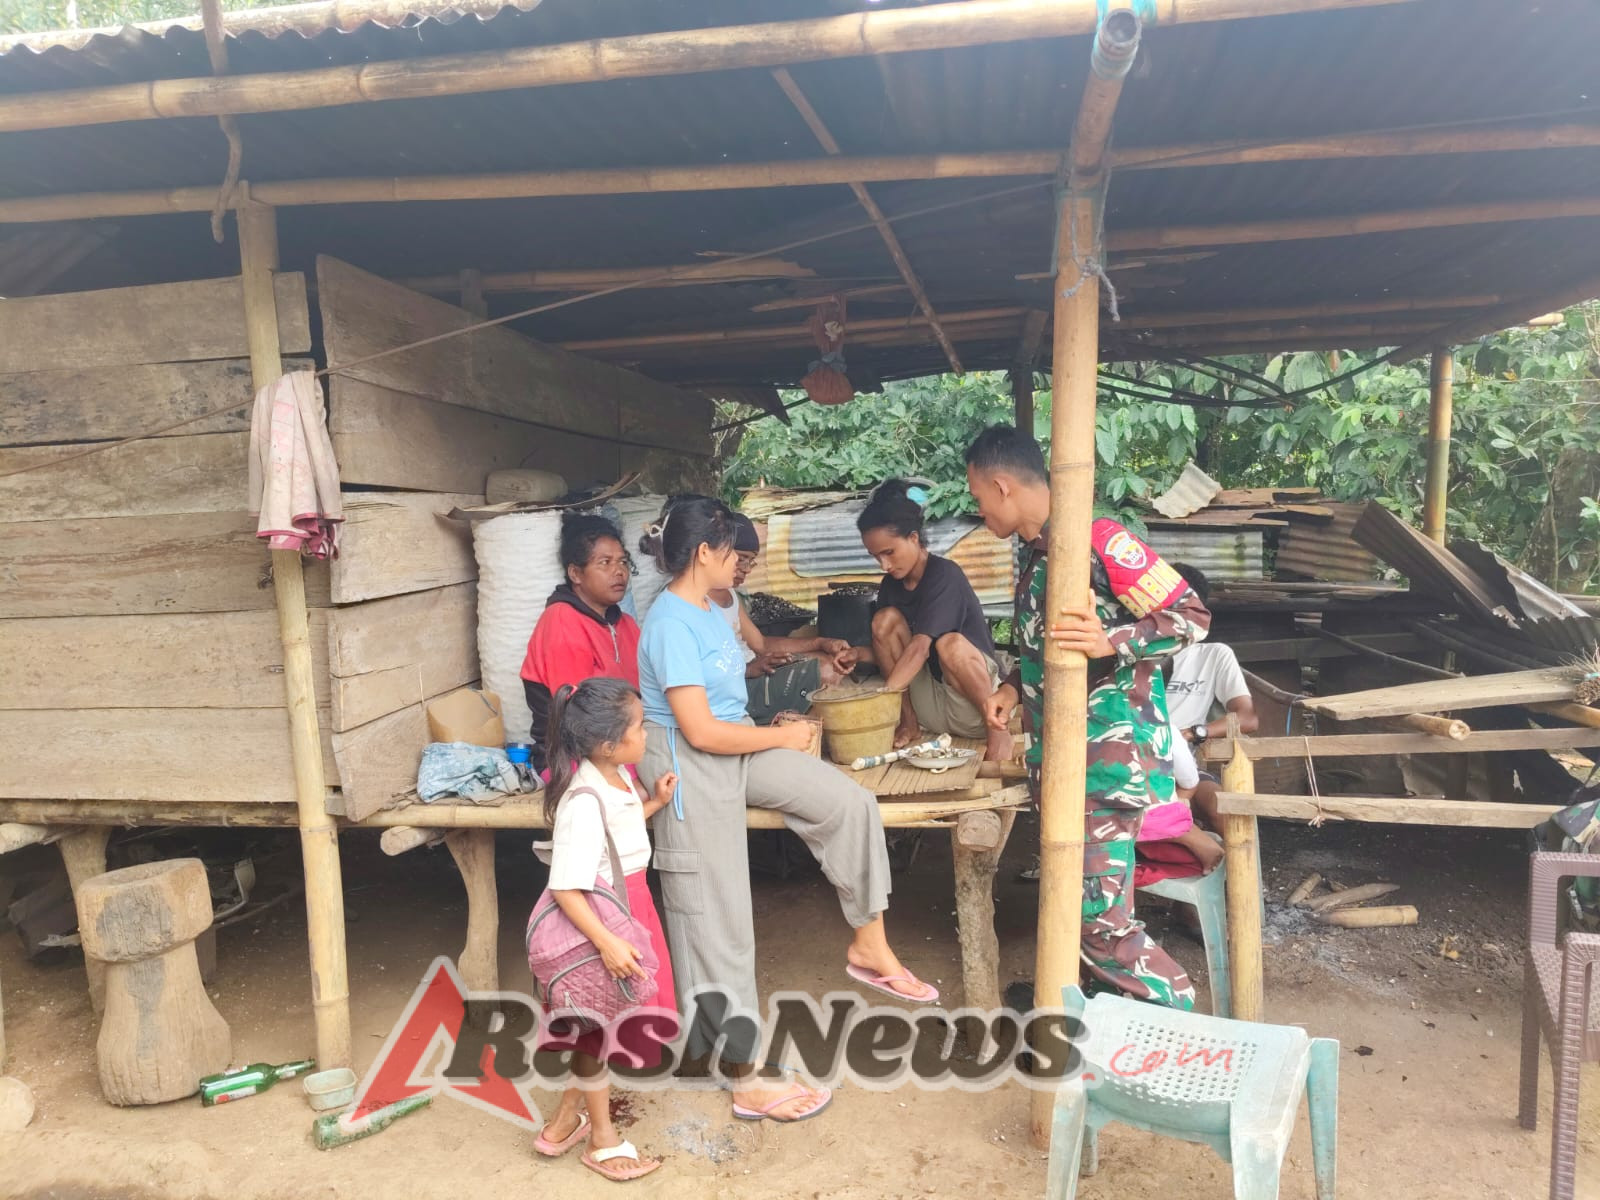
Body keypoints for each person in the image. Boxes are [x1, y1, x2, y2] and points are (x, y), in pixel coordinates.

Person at [634, 495, 935, 1123]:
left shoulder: (716, 605)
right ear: (703, 554)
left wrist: (773, 728)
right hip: (688, 764)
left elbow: (732, 706)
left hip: (737, 741)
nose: (742, 564)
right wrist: (780, 734)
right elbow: (699, 733)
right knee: (717, 912)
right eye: (733, 553)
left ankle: (869, 945)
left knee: (848, 803)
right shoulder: (668, 624)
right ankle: (742, 1074)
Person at [964, 424, 1210, 1010]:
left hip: (1108, 762)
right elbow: (1047, 651)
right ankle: (1103, 1017)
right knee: (1075, 901)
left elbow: (1192, 616)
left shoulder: (1100, 539)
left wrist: (1115, 639)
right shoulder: (1035, 555)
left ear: (1001, 486)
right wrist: (1011, 688)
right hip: (1065, 763)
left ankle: (1173, 1018)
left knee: (1099, 921)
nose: (978, 511)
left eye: (976, 497)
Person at [530, 678, 678, 1182]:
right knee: (597, 1031)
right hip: (603, 919)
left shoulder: (613, 777)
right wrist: (608, 942)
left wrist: (652, 803)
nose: (646, 732)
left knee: (607, 1024)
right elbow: (567, 887)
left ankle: (563, 1123)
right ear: (610, 743)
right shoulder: (582, 801)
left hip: (629, 908)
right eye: (639, 726)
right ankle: (600, 1140)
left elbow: (619, 831)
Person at [856, 480, 1012, 762]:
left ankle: (999, 732)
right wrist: (851, 653)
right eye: (875, 556)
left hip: (975, 706)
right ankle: (909, 722)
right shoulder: (891, 584)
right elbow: (887, 652)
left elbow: (919, 648)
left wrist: (881, 698)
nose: (884, 565)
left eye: (889, 552)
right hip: (931, 706)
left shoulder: (945, 575)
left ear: (913, 538)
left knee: (949, 644)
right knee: (884, 620)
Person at [520, 514, 641, 771]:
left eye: (622, 561)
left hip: (625, 749)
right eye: (604, 563)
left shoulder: (626, 625)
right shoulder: (562, 620)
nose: (619, 571)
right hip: (574, 760)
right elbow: (581, 721)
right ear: (575, 573)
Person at [709, 513, 856, 724]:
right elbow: (707, 673)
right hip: (739, 686)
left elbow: (761, 643)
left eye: (751, 561)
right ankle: (784, 727)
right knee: (824, 670)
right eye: (740, 559)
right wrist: (747, 670)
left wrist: (820, 642)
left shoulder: (729, 594)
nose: (747, 569)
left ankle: (794, 726)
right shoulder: (693, 604)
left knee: (833, 661)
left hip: (752, 668)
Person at [1164, 563, 1258, 830]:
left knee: (1224, 813)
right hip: (1138, 759)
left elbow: (1247, 719)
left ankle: (1234, 869)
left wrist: (1194, 732)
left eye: (1185, 606)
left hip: (1184, 762)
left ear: (1199, 612)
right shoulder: (1135, 650)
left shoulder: (1213, 655)